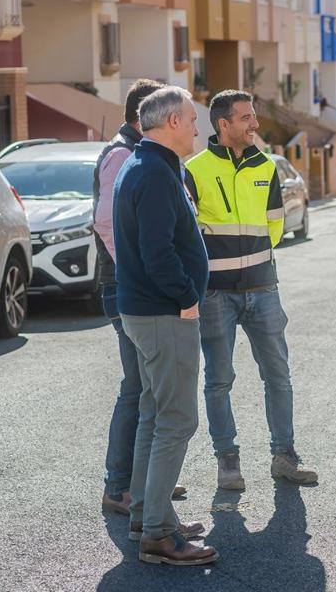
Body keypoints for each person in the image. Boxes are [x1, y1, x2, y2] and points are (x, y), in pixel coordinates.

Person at [183, 89, 318, 490]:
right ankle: (228, 462)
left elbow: (275, 225)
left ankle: (285, 456)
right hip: (215, 294)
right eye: (246, 118)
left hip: (263, 287)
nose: (255, 124)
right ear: (223, 125)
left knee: (278, 375)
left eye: (254, 116)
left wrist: (254, 260)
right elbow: (188, 234)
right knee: (219, 379)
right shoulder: (194, 170)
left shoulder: (266, 167)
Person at [112, 86, 216, 567]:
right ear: (172, 121)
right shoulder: (152, 171)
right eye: (193, 119)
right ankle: (157, 533)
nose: (199, 128)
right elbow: (158, 252)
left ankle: (148, 516)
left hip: (147, 311)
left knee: (156, 414)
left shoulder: (146, 163)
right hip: (162, 313)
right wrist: (187, 298)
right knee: (177, 419)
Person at [94, 79, 189, 515]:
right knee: (138, 390)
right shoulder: (123, 155)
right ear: (142, 117)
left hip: (136, 285)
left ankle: (148, 484)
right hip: (129, 287)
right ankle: (121, 489)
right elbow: (108, 225)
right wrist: (141, 276)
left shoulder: (141, 155)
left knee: (146, 390)